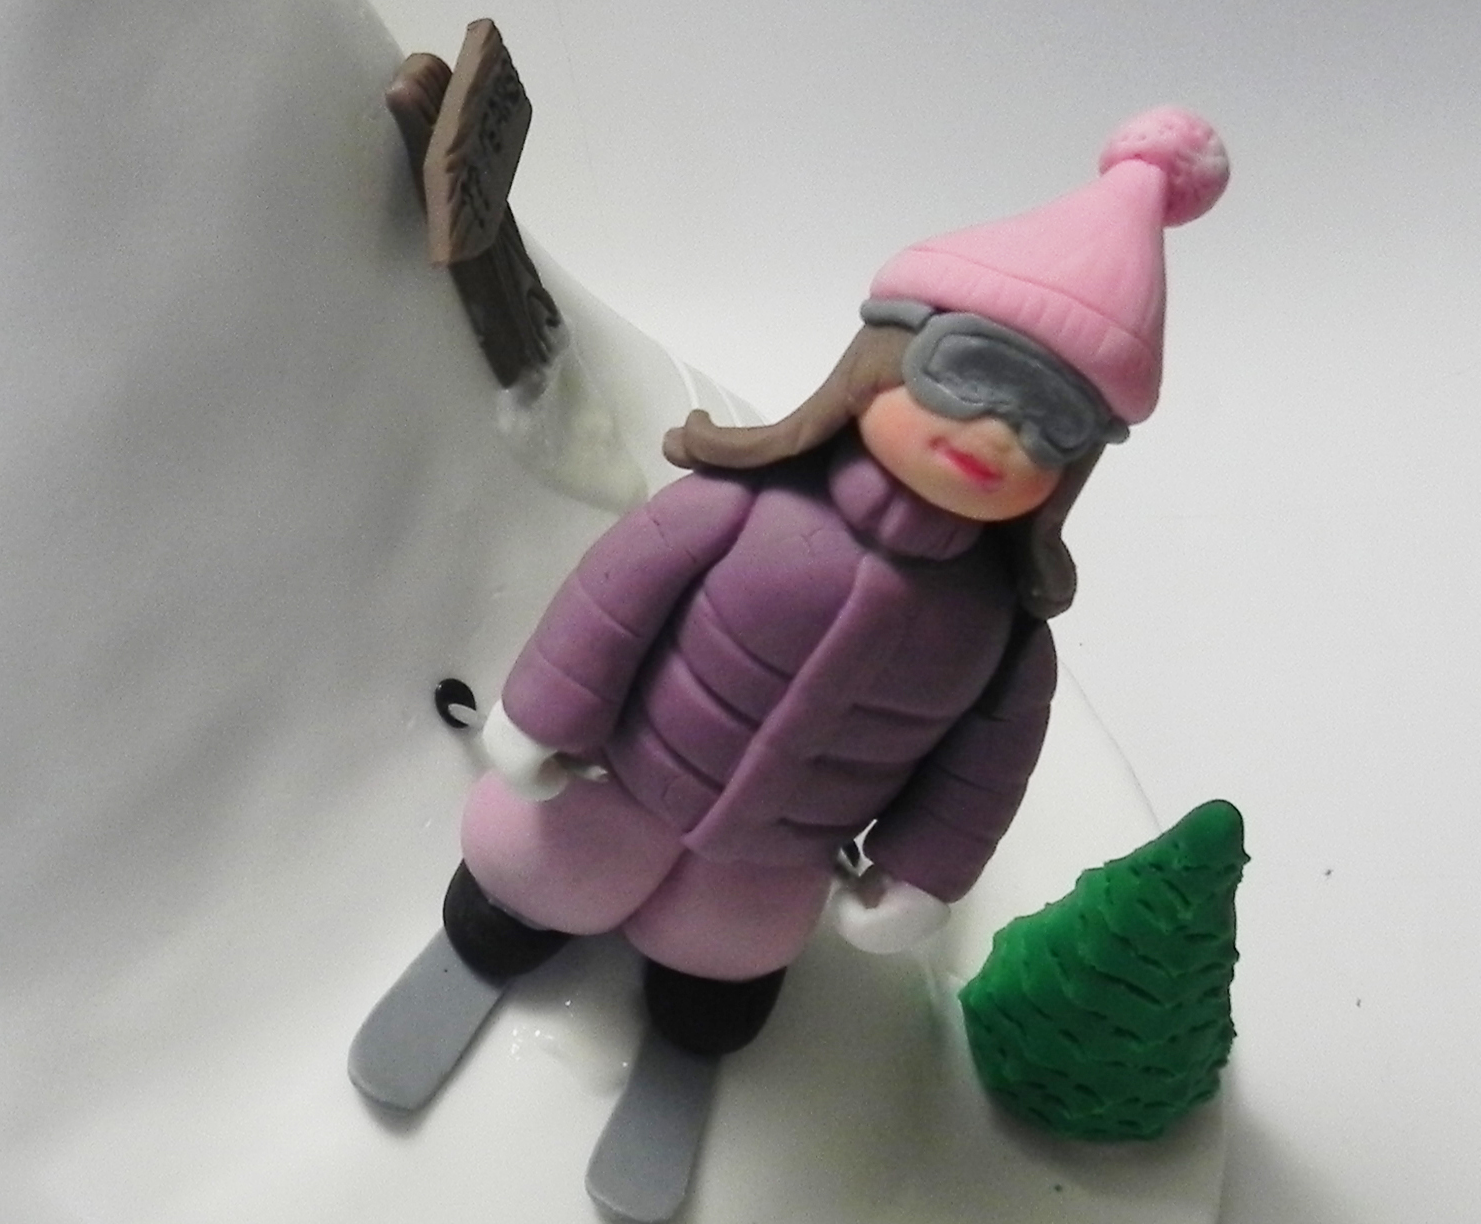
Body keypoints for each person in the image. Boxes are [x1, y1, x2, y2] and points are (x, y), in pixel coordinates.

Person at [442, 107, 1231, 1066]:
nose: (997, 436)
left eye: (1052, 423)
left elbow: (982, 776)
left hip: (777, 856)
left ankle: (703, 977)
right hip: (623, 782)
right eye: (967, 373)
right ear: (879, 364)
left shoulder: (1003, 639)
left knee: (728, 943)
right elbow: (613, 601)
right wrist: (543, 714)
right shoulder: (737, 509)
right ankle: (520, 908)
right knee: (543, 866)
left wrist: (920, 873)